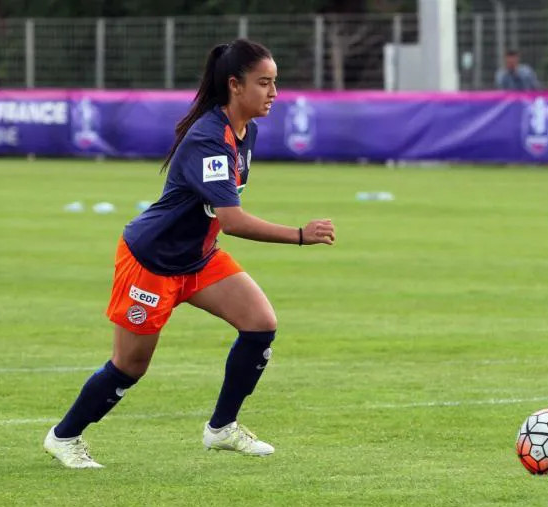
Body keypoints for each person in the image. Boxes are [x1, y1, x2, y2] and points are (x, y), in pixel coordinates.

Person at [43, 39, 336, 468]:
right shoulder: (208, 138)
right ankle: (64, 437)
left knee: (260, 324)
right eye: (264, 83)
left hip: (198, 258)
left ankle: (222, 428)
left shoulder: (246, 132)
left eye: (275, 82)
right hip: (152, 262)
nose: (274, 92)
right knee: (129, 366)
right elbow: (232, 220)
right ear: (235, 85)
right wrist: (299, 235)